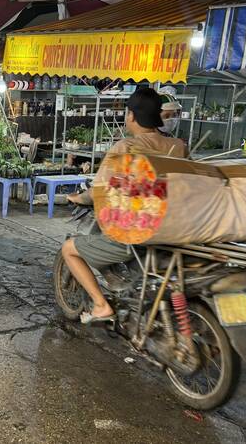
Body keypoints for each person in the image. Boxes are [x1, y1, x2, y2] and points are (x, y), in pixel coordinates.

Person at [61, 87, 188, 324]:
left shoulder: (125, 147)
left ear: (131, 115)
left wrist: (78, 198)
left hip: (141, 230)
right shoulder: (178, 147)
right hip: (176, 228)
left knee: (69, 248)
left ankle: (101, 305)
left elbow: (98, 190)